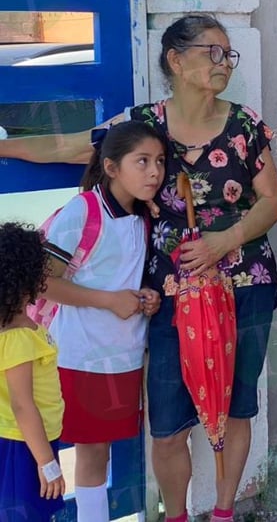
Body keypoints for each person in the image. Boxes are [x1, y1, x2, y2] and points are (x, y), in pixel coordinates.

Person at [0, 14, 277, 522]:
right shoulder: (143, 125)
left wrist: (225, 240)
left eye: (229, 54)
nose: (224, 63)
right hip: (168, 292)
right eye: (212, 52)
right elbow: (67, 146)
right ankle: (174, 515)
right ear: (175, 60)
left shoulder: (244, 125)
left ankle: (222, 513)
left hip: (244, 283)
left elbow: (272, 203)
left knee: (237, 405)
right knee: (169, 419)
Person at [40, 121, 163, 522]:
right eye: (141, 161)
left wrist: (144, 297)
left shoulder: (143, 217)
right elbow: (43, 284)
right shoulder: (83, 211)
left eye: (159, 161)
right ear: (111, 167)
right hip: (81, 358)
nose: (154, 172)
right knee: (90, 453)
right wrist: (108, 301)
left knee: (103, 448)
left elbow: (121, 279)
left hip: (122, 358)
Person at [0, 222, 65, 522]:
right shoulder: (17, 337)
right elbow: (22, 405)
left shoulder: (17, 329)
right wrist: (47, 462)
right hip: (25, 445)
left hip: (32, 440)